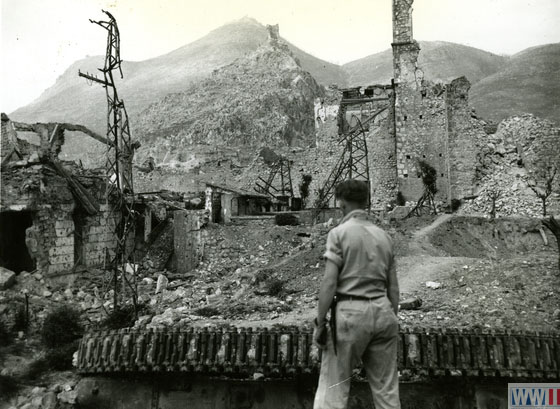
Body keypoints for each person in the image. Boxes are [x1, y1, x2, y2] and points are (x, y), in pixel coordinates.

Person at [312, 179, 400, 409]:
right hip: (383, 311)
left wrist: (320, 322)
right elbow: (393, 288)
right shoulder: (384, 237)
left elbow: (330, 283)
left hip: (350, 314)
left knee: (333, 391)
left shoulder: (338, 234)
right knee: (387, 393)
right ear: (367, 201)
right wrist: (392, 316)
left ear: (340, 203)